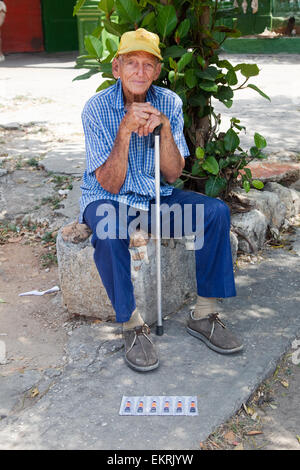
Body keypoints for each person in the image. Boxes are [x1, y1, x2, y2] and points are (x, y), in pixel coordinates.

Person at [80, 28, 243, 372]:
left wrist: (165, 129)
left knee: (214, 213)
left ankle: (203, 314)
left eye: (148, 65)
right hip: (110, 199)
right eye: (132, 63)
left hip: (156, 199)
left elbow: (172, 175)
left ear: (157, 72)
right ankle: (132, 326)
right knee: (108, 232)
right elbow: (109, 183)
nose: (140, 72)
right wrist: (124, 130)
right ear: (116, 68)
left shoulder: (168, 102)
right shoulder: (95, 109)